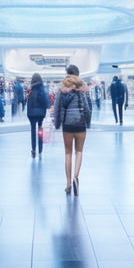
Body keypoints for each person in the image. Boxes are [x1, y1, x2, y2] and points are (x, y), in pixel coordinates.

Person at [54, 64, 92, 196]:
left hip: (67, 125)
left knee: (68, 153)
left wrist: (57, 123)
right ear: (78, 73)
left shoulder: (63, 88)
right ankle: (76, 176)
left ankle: (68, 183)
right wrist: (88, 121)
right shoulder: (83, 87)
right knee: (79, 152)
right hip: (80, 123)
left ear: (67, 73)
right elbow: (88, 106)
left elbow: (57, 106)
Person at [26, 73, 50, 158]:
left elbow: (28, 103)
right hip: (41, 114)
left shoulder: (30, 90)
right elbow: (47, 103)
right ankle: (40, 148)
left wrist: (28, 114)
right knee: (40, 129)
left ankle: (33, 149)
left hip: (31, 114)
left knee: (33, 131)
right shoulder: (43, 89)